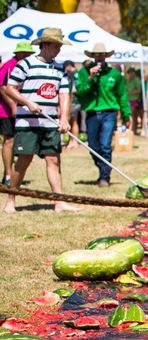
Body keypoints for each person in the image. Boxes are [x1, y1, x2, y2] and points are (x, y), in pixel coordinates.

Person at [3, 28, 79, 213]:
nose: (59, 49)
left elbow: (64, 95)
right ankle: (11, 200)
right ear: (45, 45)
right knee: (23, 161)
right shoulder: (25, 64)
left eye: (60, 46)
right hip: (28, 124)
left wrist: (63, 119)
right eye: (56, 46)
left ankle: (59, 201)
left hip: (50, 123)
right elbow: (9, 88)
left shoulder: (60, 68)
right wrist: (27, 102)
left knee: (53, 160)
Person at [76, 42, 129, 188]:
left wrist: (126, 115)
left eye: (102, 55)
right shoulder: (83, 72)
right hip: (92, 113)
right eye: (97, 55)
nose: (99, 58)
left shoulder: (115, 74)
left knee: (105, 145)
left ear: (106, 57)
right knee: (93, 146)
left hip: (109, 113)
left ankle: (104, 176)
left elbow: (122, 95)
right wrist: (91, 79)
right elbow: (80, 91)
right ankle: (103, 168)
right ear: (93, 57)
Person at [1, 41, 34, 186]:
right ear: (17, 53)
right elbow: (3, 88)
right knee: (9, 141)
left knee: (21, 143)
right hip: (7, 112)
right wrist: (13, 107)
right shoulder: (9, 65)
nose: (27, 56)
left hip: (24, 110)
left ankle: (13, 174)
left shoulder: (28, 66)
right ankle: (8, 174)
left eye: (29, 53)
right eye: (24, 53)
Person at [61, 60, 80, 148]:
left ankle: (73, 141)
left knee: (72, 121)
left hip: (73, 101)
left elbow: (73, 91)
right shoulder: (75, 75)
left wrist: (69, 102)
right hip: (75, 101)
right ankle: (71, 140)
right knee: (73, 121)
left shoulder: (73, 75)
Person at [125, 68, 142, 135]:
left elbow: (138, 90)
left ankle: (133, 129)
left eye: (131, 72)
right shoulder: (127, 80)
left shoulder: (137, 80)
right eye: (129, 73)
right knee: (129, 115)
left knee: (133, 115)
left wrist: (129, 93)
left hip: (134, 100)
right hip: (127, 99)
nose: (130, 74)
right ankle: (131, 129)